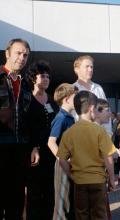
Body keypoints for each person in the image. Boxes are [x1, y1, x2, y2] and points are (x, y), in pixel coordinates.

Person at [57, 90, 116, 220]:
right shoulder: (99, 131)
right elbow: (108, 157)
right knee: (99, 215)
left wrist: (72, 175)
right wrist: (112, 178)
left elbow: (61, 159)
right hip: (98, 181)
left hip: (79, 182)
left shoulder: (69, 132)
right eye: (96, 108)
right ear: (91, 108)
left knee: (81, 215)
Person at [0, 38, 39, 220]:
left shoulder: (25, 85)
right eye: (18, 53)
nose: (22, 58)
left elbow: (30, 119)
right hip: (0, 147)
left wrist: (34, 146)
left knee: (16, 201)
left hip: (21, 150)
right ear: (7, 53)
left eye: (25, 55)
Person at [26, 60, 58, 220]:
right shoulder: (27, 100)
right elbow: (25, 127)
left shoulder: (52, 101)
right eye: (42, 76)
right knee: (34, 192)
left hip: (51, 152)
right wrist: (34, 146)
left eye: (48, 77)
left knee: (50, 192)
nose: (46, 79)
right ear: (33, 78)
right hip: (34, 152)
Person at [48, 83, 78, 220]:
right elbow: (51, 142)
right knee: (62, 204)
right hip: (63, 165)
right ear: (66, 99)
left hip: (71, 164)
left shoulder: (70, 117)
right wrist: (63, 159)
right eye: (75, 97)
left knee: (70, 201)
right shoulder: (61, 117)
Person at [73, 55, 112, 136]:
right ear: (77, 69)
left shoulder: (98, 88)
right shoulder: (72, 90)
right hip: (80, 136)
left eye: (92, 67)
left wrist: (108, 134)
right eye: (87, 67)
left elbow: (105, 110)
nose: (90, 69)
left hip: (99, 136)